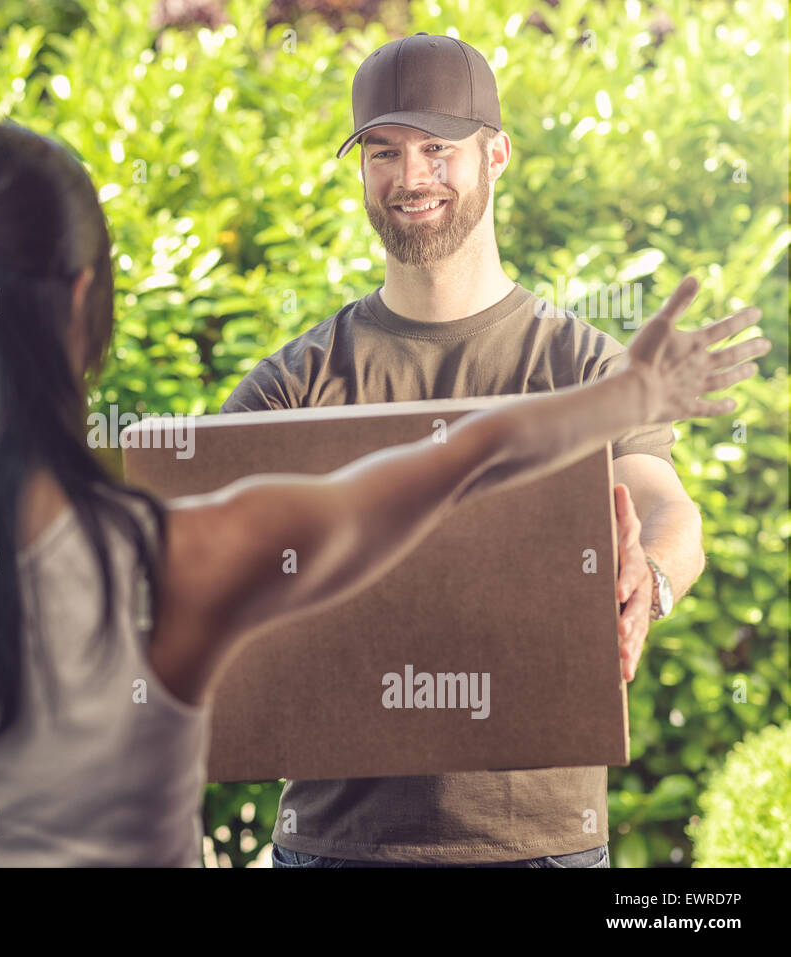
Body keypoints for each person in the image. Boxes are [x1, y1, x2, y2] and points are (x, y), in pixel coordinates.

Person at [0, 118, 766, 867]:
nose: (411, 171)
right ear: (81, 302)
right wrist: (629, 393)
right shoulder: (176, 562)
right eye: (386, 149)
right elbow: (456, 462)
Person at [222, 32, 750, 868]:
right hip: (336, 846)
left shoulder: (583, 366)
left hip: (543, 846)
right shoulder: (292, 385)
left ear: (496, 153)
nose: (410, 176)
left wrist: (646, 580)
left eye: (438, 147)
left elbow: (665, 505)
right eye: (384, 151)